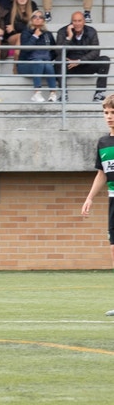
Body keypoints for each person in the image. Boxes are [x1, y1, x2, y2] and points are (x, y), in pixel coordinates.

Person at [80, 95, 114, 302]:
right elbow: (102, 173)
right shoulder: (103, 142)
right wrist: (90, 198)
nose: (109, 117)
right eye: (106, 113)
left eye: (113, 113)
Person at [55, 11, 110, 102]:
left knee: (105, 60)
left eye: (79, 21)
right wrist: (69, 37)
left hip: (85, 64)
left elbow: (96, 52)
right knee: (58, 60)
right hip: (69, 65)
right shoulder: (62, 32)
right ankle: (64, 94)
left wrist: (80, 61)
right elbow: (58, 52)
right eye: (74, 21)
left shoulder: (91, 31)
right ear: (71, 22)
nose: (77, 23)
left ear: (84, 21)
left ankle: (99, 94)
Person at [16, 10, 58, 103]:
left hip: (42, 64)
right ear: (31, 20)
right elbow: (25, 49)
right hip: (25, 65)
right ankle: (37, 92)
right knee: (39, 62)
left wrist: (45, 59)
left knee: (47, 64)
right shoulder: (26, 33)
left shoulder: (48, 34)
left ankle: (53, 93)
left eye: (40, 17)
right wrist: (35, 36)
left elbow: (54, 51)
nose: (38, 19)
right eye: (35, 17)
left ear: (43, 20)